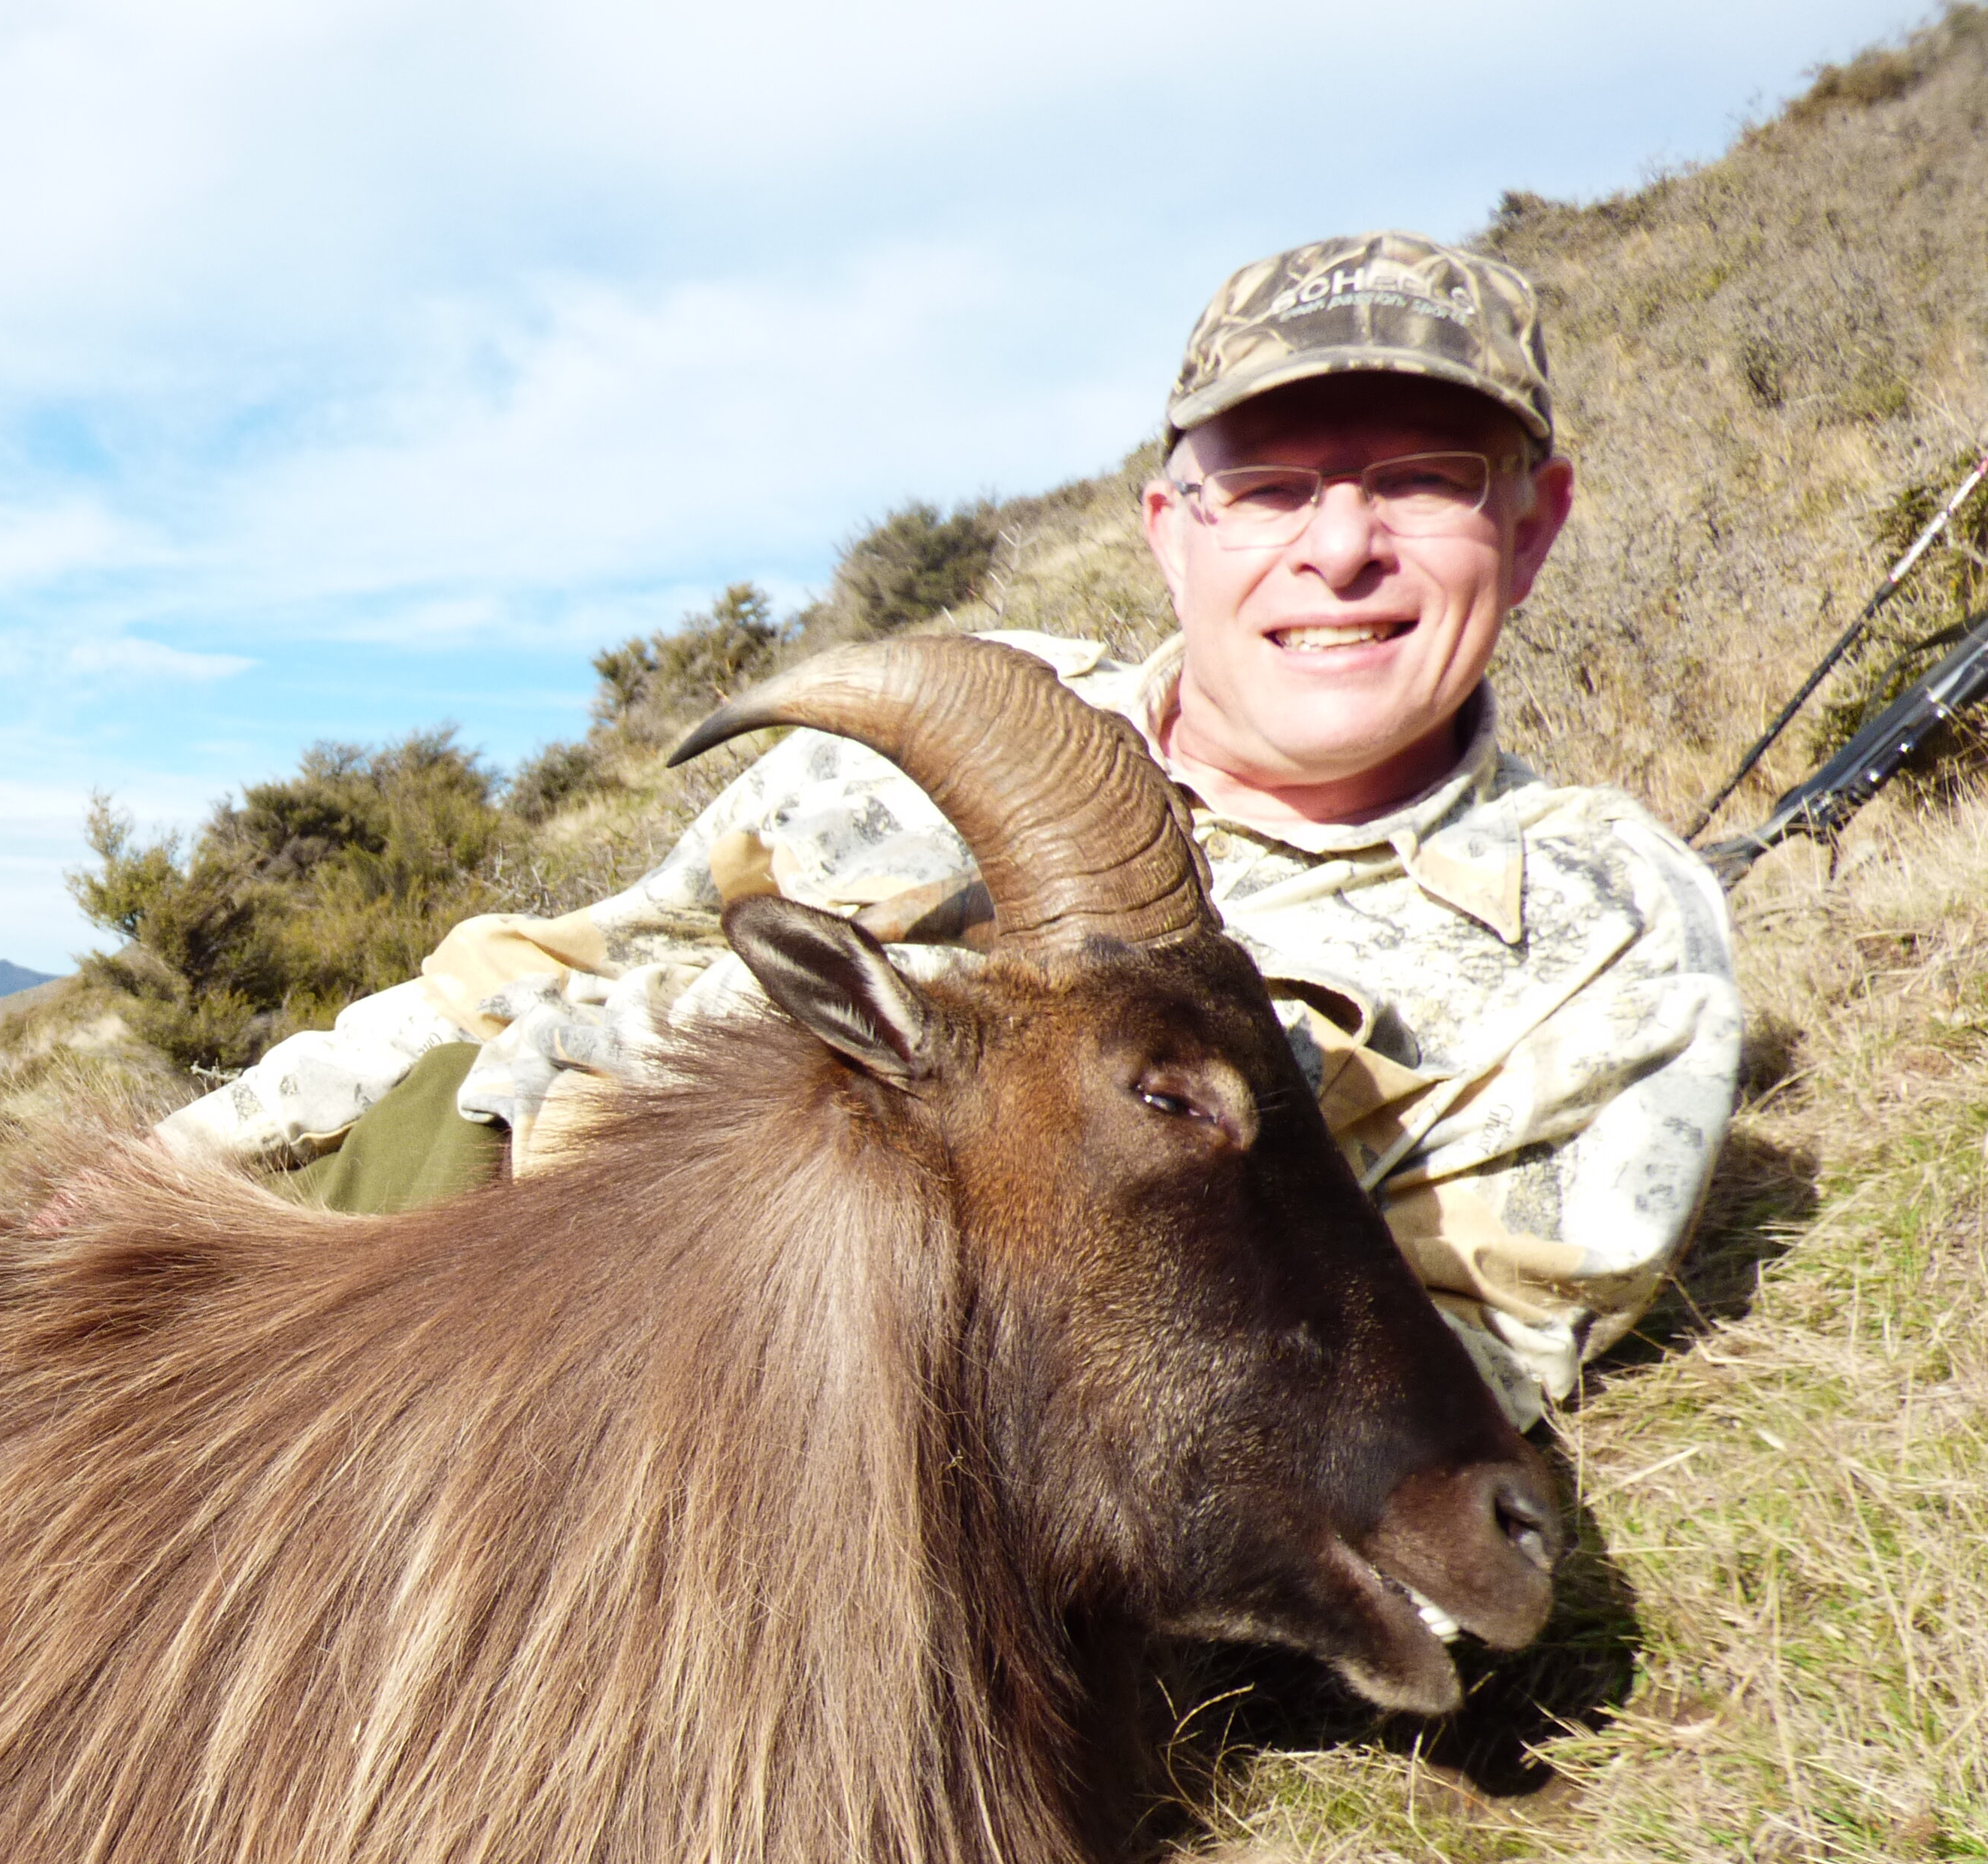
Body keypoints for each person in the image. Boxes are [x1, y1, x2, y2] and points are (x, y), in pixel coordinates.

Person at [155, 234, 1745, 1428]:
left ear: (1531, 529)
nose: (1341, 548)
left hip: (802, 1457)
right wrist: (172, 1170)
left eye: (1423, 481)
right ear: (1170, 531)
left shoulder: (1608, 940)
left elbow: (1433, 1393)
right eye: (1269, 488)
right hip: (452, 1213)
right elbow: (512, 986)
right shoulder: (953, 722)